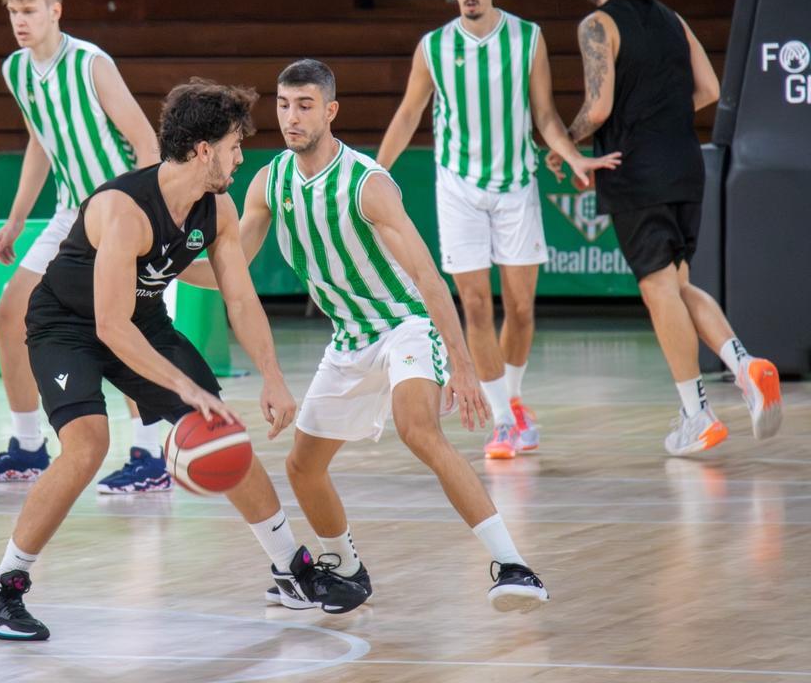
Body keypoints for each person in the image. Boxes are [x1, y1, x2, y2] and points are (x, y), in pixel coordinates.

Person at [0, 79, 368, 641]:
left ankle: (291, 568)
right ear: (203, 149)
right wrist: (187, 386)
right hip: (67, 327)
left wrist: (273, 376)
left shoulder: (217, 208)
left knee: (221, 429)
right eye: (233, 145)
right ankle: (2, 586)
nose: (239, 156)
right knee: (88, 446)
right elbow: (109, 326)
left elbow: (240, 297)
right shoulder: (123, 209)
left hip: (145, 322)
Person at [182, 60, 549, 613]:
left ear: (330, 111)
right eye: (283, 105)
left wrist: (462, 360)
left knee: (418, 429)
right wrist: (158, 263)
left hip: (405, 323)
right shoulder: (269, 182)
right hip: (349, 339)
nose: (291, 116)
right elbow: (232, 270)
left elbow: (427, 276)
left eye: (304, 105)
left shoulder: (366, 183)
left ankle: (514, 566)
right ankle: (347, 569)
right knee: (302, 466)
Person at [377, 0, 620, 460]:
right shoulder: (433, 47)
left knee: (522, 308)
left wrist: (573, 157)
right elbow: (407, 114)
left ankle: (511, 401)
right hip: (458, 188)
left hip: (515, 186)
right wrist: (375, 172)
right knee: (475, 305)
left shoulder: (526, 39)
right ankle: (503, 420)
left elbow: (547, 116)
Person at [562, 0, 782, 455]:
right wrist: (658, 117)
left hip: (637, 170)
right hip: (686, 166)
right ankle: (744, 364)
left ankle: (696, 414)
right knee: (677, 284)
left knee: (657, 289)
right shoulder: (672, 19)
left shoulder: (597, 24)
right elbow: (708, 89)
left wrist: (562, 145)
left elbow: (599, 108)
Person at [0, 0, 168, 493]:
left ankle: (148, 454)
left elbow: (146, 143)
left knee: (122, 326)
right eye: (13, 13)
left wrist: (144, 221)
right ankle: (27, 446)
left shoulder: (92, 63)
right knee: (10, 314)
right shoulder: (16, 70)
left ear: (56, 10)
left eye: (29, 11)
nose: (20, 22)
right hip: (69, 213)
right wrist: (15, 218)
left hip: (118, 211)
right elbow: (39, 142)